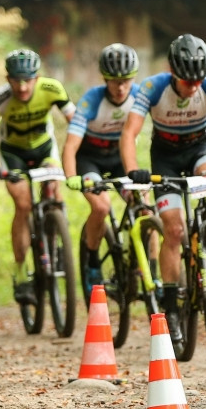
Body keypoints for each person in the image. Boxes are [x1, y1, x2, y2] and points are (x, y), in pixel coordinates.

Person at [120, 33, 206, 344]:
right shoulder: (153, 88)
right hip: (164, 157)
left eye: (198, 80)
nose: (193, 86)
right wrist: (131, 171)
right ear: (172, 71)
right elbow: (129, 133)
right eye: (186, 81)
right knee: (175, 230)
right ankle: (170, 307)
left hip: (198, 149)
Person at [0, 48, 77, 305]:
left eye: (28, 80)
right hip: (14, 154)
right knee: (23, 204)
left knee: (52, 186)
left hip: (44, 149)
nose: (22, 87)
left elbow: (76, 122)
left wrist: (76, 155)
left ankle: (56, 235)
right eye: (16, 80)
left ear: (37, 77)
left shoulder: (52, 89)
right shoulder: (0, 99)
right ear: (8, 79)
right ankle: (21, 273)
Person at [62, 43, 141, 299]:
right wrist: (72, 177)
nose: (121, 88)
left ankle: (143, 266)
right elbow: (71, 145)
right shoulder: (91, 100)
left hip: (119, 159)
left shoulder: (140, 96)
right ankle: (92, 261)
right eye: (114, 81)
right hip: (90, 161)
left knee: (143, 205)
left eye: (126, 81)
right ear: (105, 79)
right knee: (101, 207)